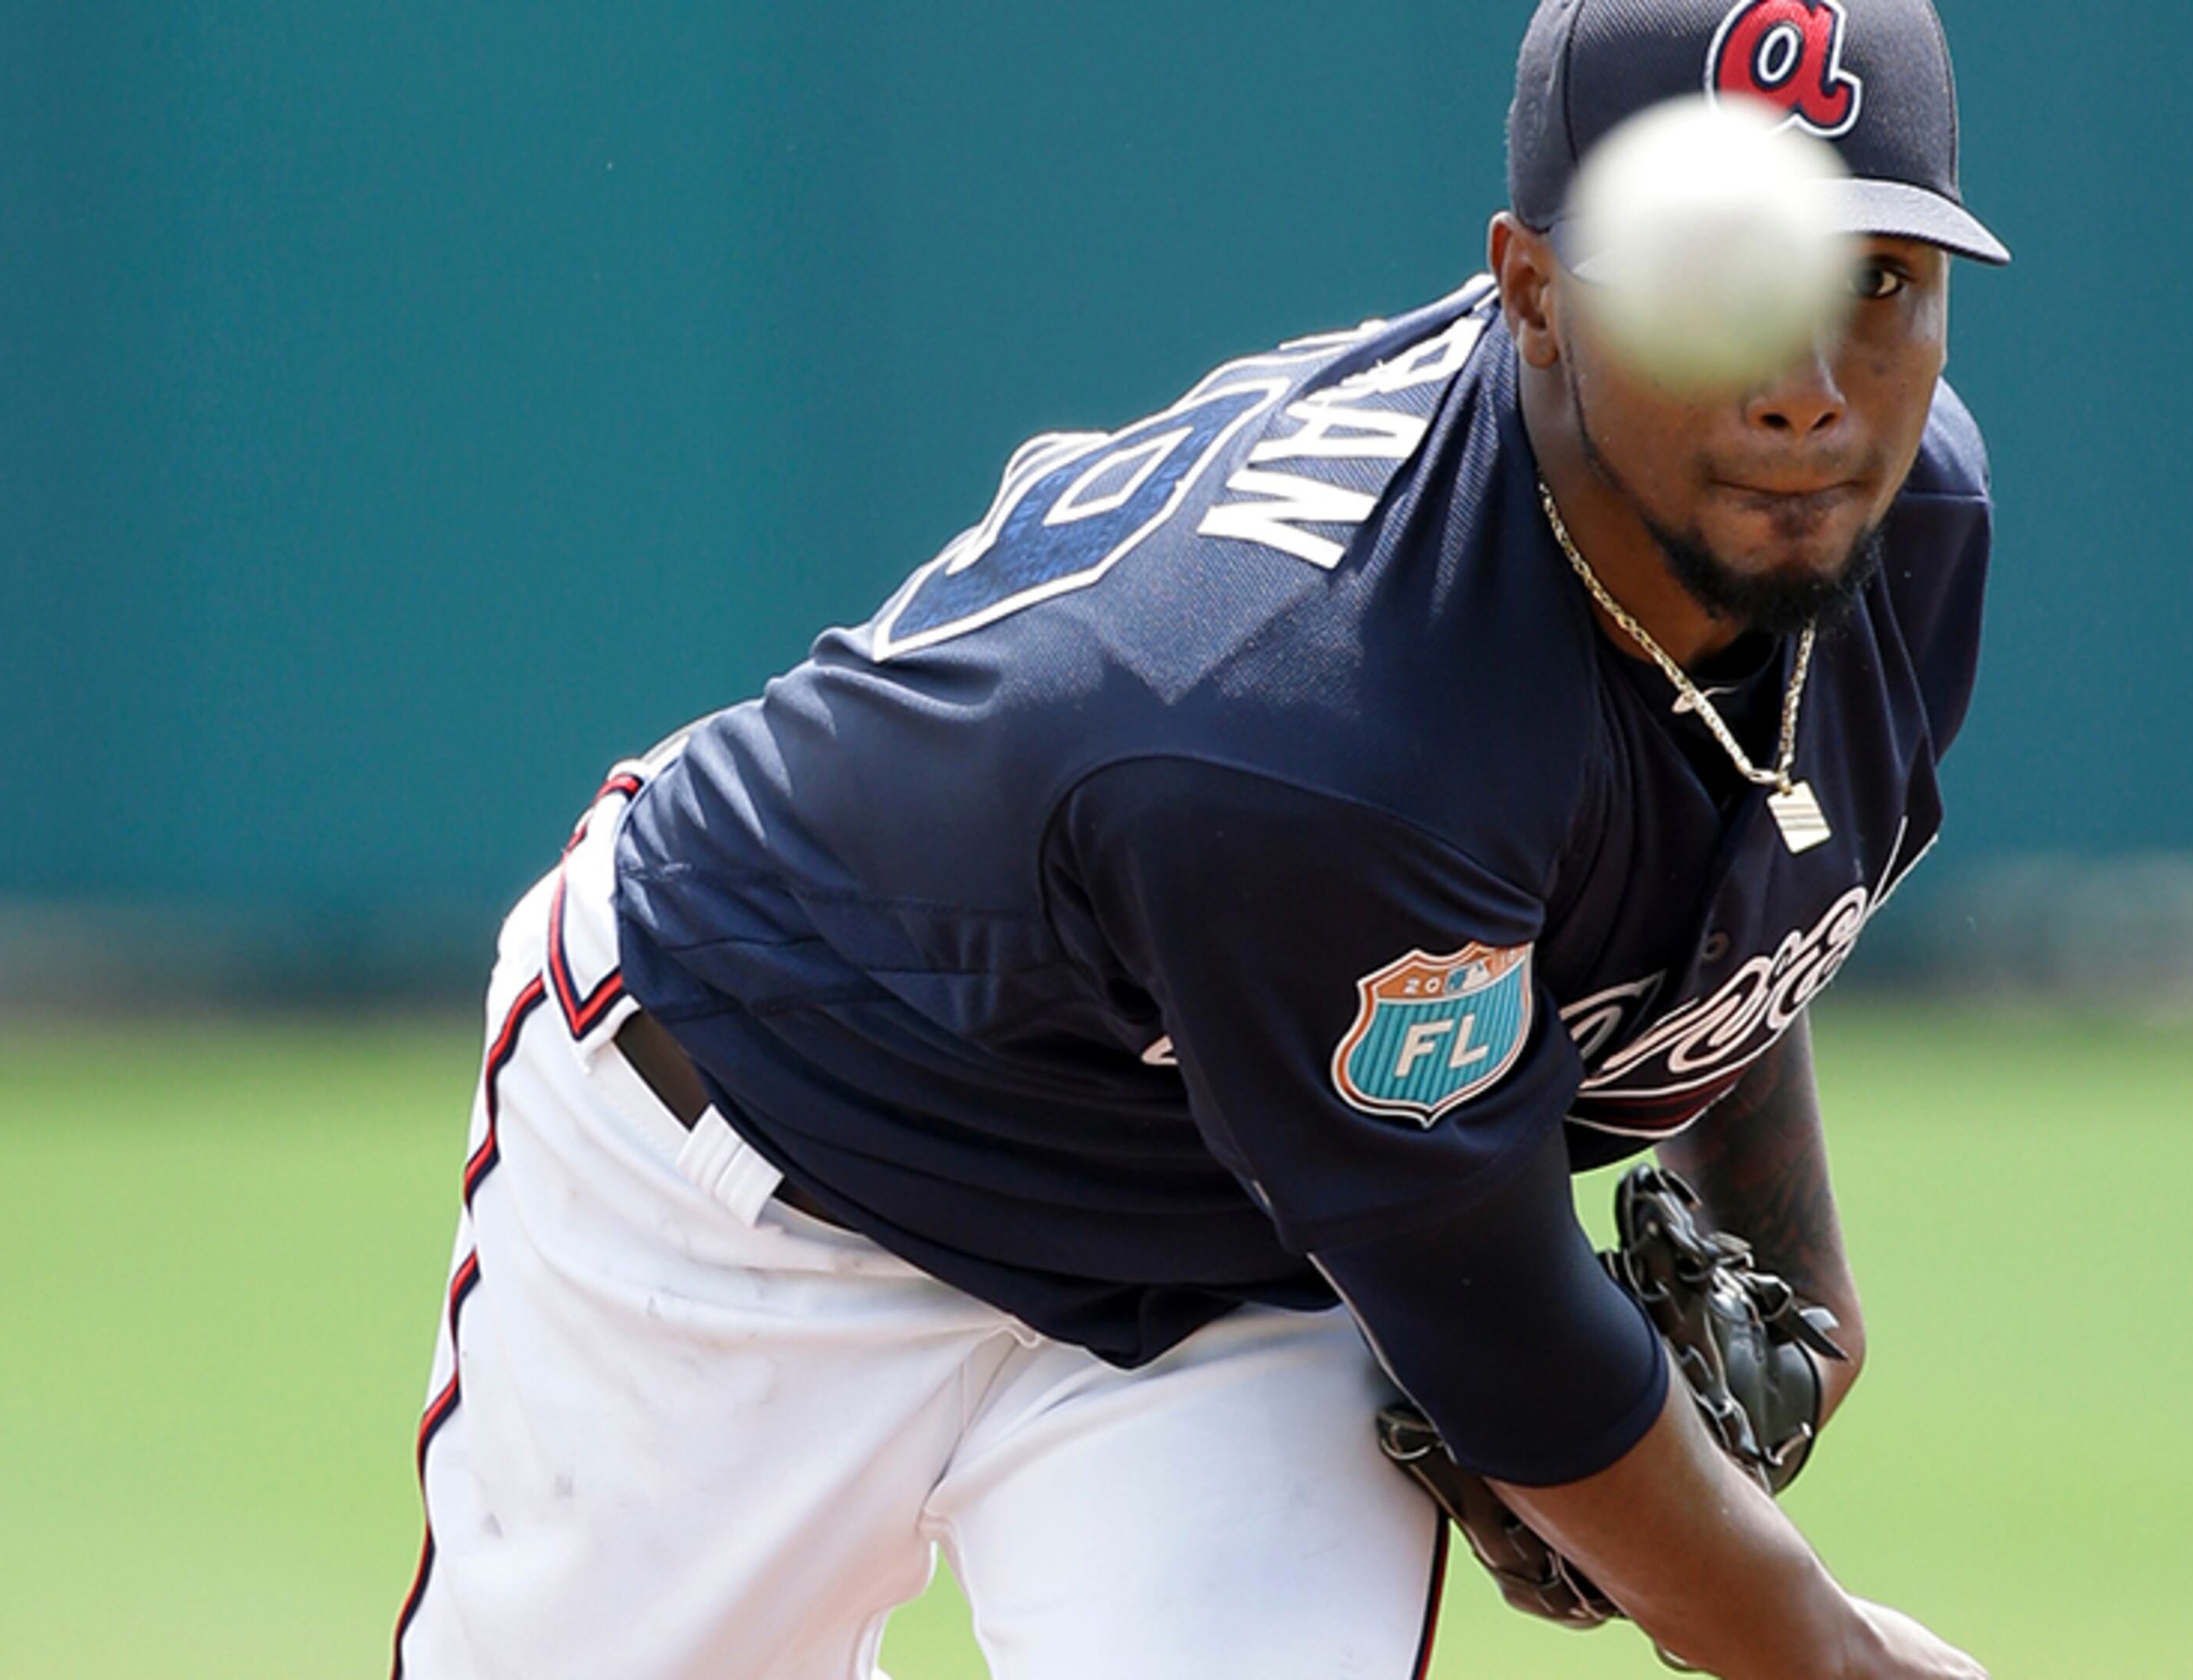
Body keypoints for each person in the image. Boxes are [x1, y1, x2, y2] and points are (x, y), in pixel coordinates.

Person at [391, 0, 2008, 1674]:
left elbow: (1719, 853)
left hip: (1228, 1231)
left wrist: (1804, 1303)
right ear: (1533, 289)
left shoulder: (1898, 530)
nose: (1811, 389)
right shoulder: (1321, 720)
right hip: (746, 1151)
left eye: (1880, 280)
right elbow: (1517, 1350)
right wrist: (1833, 1648)